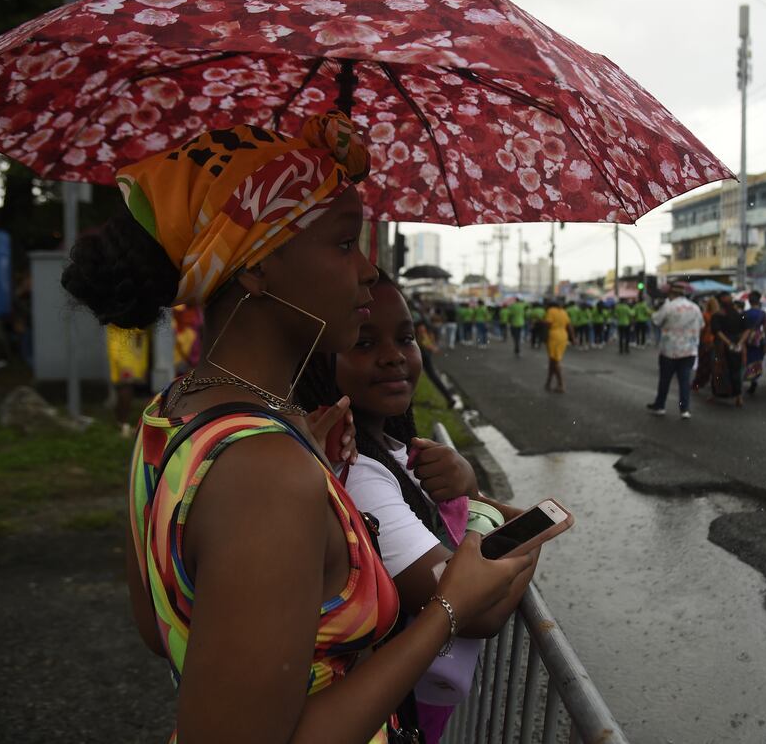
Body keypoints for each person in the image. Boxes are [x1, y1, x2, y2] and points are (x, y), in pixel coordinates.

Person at [60, 112, 529, 744]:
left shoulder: (174, 412)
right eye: (343, 243)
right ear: (253, 267)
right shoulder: (264, 474)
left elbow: (164, 629)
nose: (368, 272)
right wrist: (451, 608)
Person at [296, 273, 537, 743]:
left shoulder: (393, 448)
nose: (393, 356)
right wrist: (532, 541)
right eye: (363, 343)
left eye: (406, 338)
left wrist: (467, 486)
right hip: (387, 711)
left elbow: (486, 525)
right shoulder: (361, 475)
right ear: (320, 363)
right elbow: (475, 609)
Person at [645, 283, 703, 419]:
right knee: (684, 381)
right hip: (689, 350)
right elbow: (702, 325)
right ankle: (685, 410)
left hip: (670, 350)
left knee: (665, 380)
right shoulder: (695, 307)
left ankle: (660, 406)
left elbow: (656, 320)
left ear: (671, 293)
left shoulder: (668, 306)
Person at [106, 325, 150, 438]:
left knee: (126, 388)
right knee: (126, 387)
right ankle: (122, 423)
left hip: (131, 350)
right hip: (124, 350)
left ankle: (121, 423)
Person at [709, 290, 748, 407]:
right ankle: (738, 397)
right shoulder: (739, 314)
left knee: (719, 369)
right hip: (736, 344)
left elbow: (717, 331)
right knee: (735, 370)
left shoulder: (717, 316)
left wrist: (728, 342)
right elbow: (747, 329)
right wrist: (740, 343)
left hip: (722, 345)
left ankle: (717, 394)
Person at [743, 291, 766, 394]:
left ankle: (749, 378)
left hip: (747, 338)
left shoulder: (745, 314)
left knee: (748, 359)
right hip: (758, 339)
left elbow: (742, 326)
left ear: (749, 301)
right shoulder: (763, 314)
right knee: (757, 359)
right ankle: (754, 379)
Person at [544, 298, 572, 392]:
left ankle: (561, 385)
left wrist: (544, 337)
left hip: (554, 336)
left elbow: (548, 324)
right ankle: (548, 383)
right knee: (552, 361)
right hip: (563, 336)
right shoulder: (563, 312)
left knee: (555, 361)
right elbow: (569, 326)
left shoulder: (551, 311)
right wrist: (573, 338)